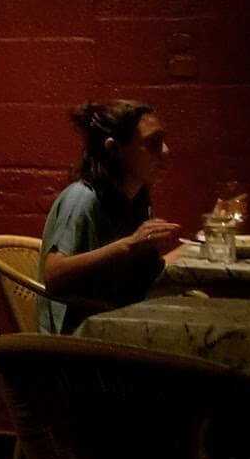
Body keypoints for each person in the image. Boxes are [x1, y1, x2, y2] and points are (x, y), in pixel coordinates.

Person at [37, 100, 180, 335]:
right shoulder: (83, 198)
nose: (165, 151)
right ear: (114, 149)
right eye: (152, 142)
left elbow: (147, 274)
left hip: (118, 323)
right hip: (80, 340)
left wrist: (202, 247)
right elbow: (53, 275)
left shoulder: (136, 200)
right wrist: (130, 245)